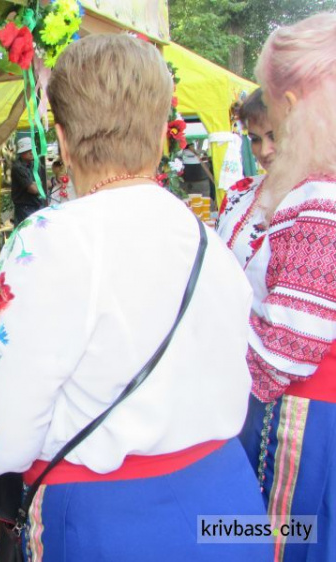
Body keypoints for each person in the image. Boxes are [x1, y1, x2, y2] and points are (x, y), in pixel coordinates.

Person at [0, 34, 269, 561]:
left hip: (116, 521)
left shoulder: (50, 237)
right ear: (160, 135)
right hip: (229, 498)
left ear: (62, 138)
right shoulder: (207, 237)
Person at [237, 13, 336, 561]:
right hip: (305, 408)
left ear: (294, 107)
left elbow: (288, 351)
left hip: (297, 418)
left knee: (279, 540)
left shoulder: (318, 198)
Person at [217, 88, 277, 267]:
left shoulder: (320, 199)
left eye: (274, 136)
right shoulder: (239, 193)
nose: (264, 151)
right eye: (255, 139)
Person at [10, 136, 45, 225]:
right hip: (24, 209)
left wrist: (38, 184)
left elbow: (45, 182)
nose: (31, 152)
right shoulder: (18, 167)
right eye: (27, 150)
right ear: (21, 153)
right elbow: (33, 189)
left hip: (37, 205)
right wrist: (40, 184)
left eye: (32, 149)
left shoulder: (36, 165)